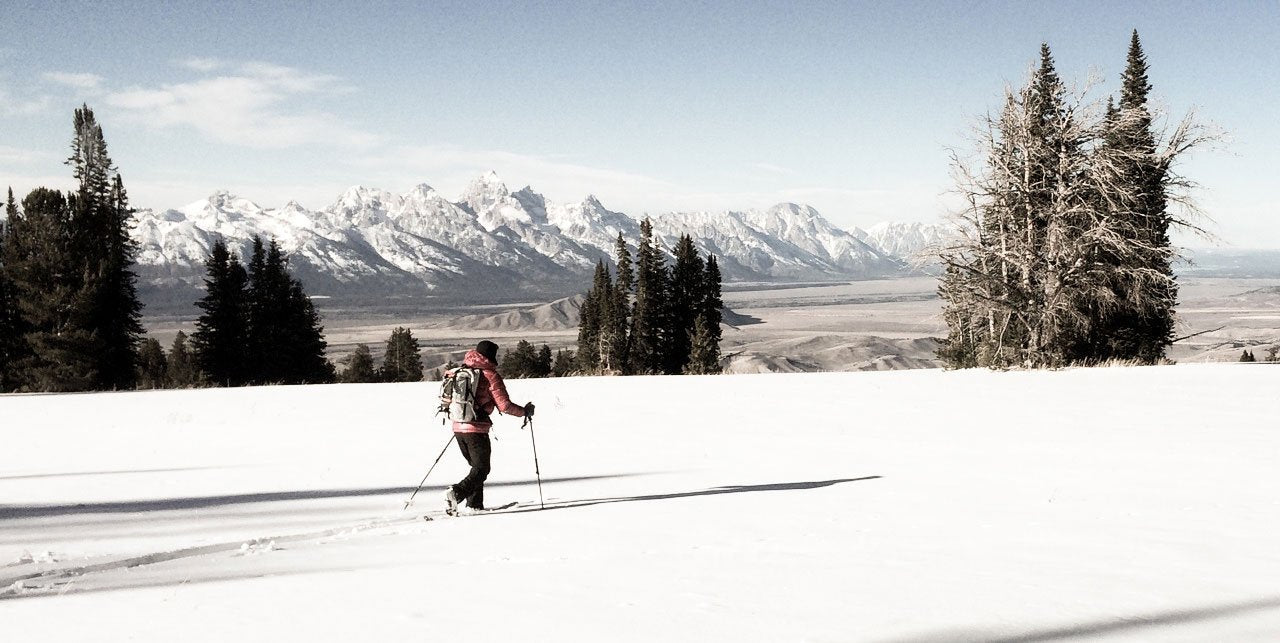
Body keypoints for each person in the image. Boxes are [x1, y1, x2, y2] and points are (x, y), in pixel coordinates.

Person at [445, 340, 534, 515]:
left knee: (476, 467)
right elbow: (505, 406)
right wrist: (524, 412)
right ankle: (456, 493)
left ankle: (474, 505)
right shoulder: (489, 375)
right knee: (482, 469)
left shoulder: (461, 371)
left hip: (458, 427)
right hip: (477, 428)